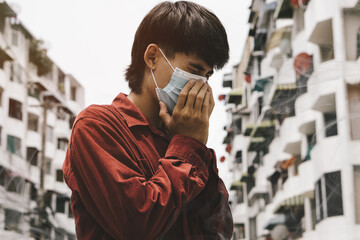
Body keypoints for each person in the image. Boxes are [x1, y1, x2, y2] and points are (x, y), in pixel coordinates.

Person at [62, 1, 233, 239]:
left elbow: (219, 231)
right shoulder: (97, 125)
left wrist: (197, 147)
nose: (201, 85)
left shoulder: (182, 138)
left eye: (206, 76)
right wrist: (187, 146)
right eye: (194, 70)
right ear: (152, 57)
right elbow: (136, 224)